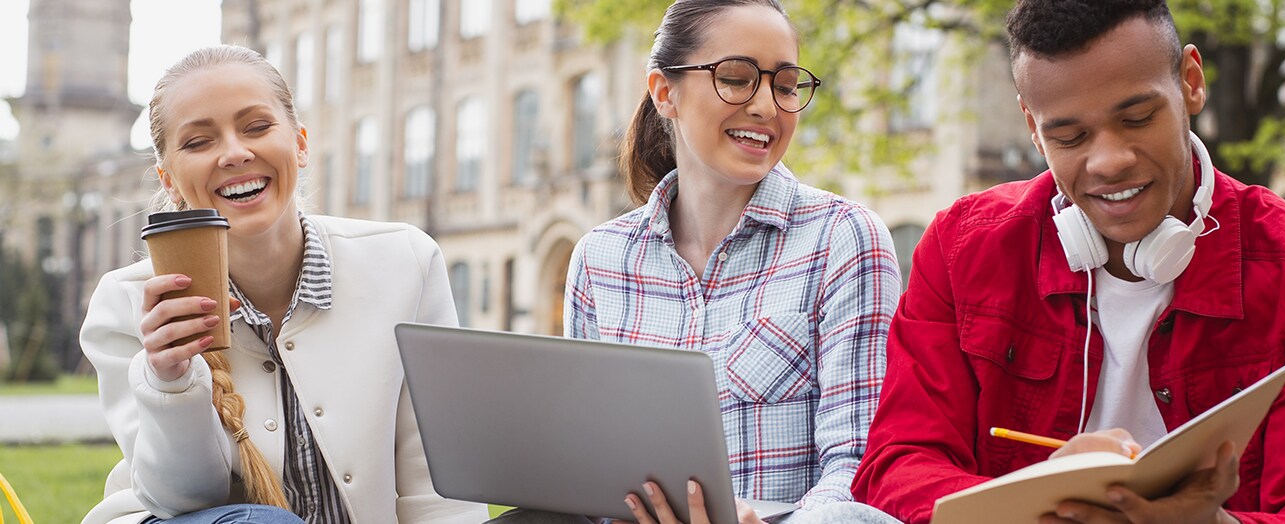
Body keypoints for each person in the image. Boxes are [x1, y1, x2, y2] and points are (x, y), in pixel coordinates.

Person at [851, 1, 1285, 523]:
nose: (1109, 161)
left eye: (1137, 118)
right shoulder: (961, 248)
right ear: (1033, 128)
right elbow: (896, 465)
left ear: (1191, 80)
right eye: (1070, 136)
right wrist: (1023, 505)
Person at [79, 45, 488, 523]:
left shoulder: (404, 262)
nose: (235, 153)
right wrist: (171, 381)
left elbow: (435, 482)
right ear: (168, 179)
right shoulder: (128, 303)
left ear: (300, 144)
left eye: (257, 127)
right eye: (198, 142)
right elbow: (179, 501)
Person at [547, 1, 901, 523]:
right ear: (665, 93)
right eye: (735, 79)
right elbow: (588, 465)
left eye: (784, 86)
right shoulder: (600, 260)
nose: (766, 106)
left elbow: (859, 467)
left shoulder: (844, 240)